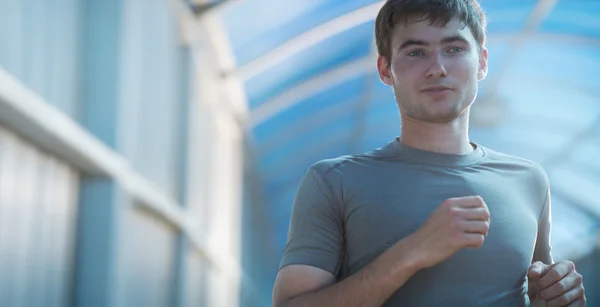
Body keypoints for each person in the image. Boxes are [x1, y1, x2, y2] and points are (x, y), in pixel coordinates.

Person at [272, 0, 587, 306]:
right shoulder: (333, 182)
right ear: (385, 69)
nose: (437, 68)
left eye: (454, 49)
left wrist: (557, 297)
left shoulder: (529, 180)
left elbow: (540, 292)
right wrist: (411, 252)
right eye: (415, 52)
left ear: (482, 62)